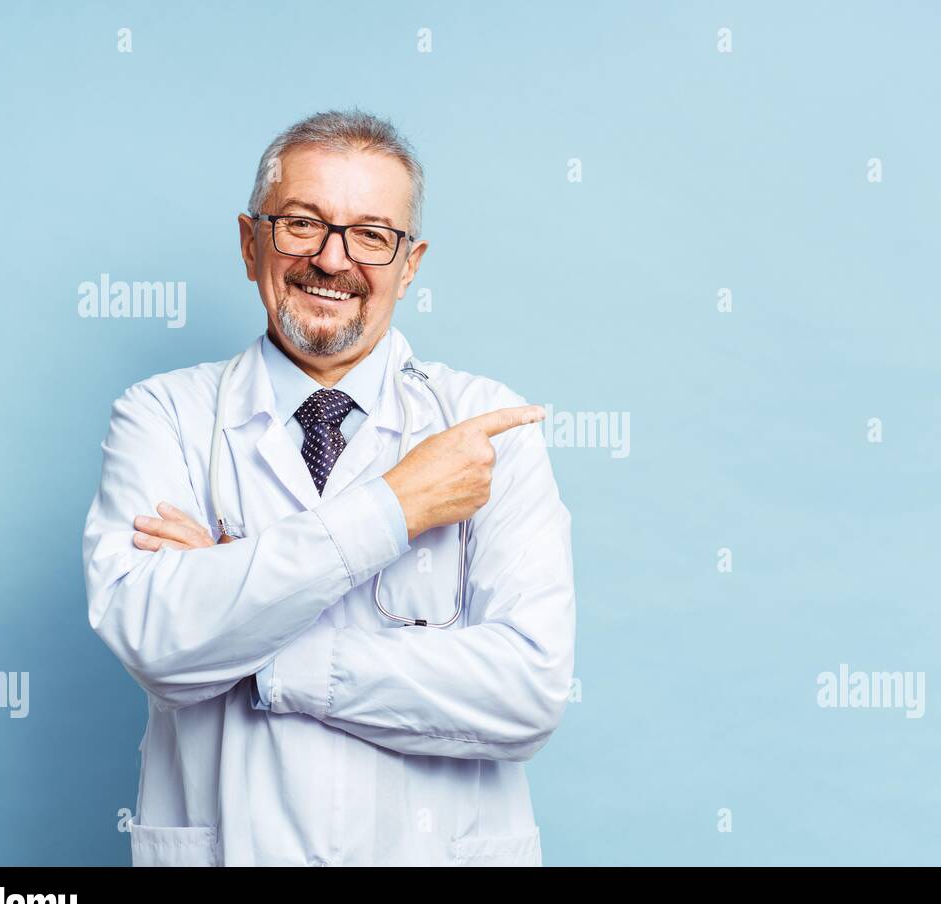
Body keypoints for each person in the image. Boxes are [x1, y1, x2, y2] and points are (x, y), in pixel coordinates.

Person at [81, 109, 576, 866]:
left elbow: (528, 692)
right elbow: (153, 638)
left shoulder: (486, 429)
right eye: (302, 223)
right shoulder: (162, 417)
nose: (332, 259)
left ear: (410, 265)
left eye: (372, 235)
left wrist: (243, 616)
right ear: (251, 244)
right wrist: (395, 506)